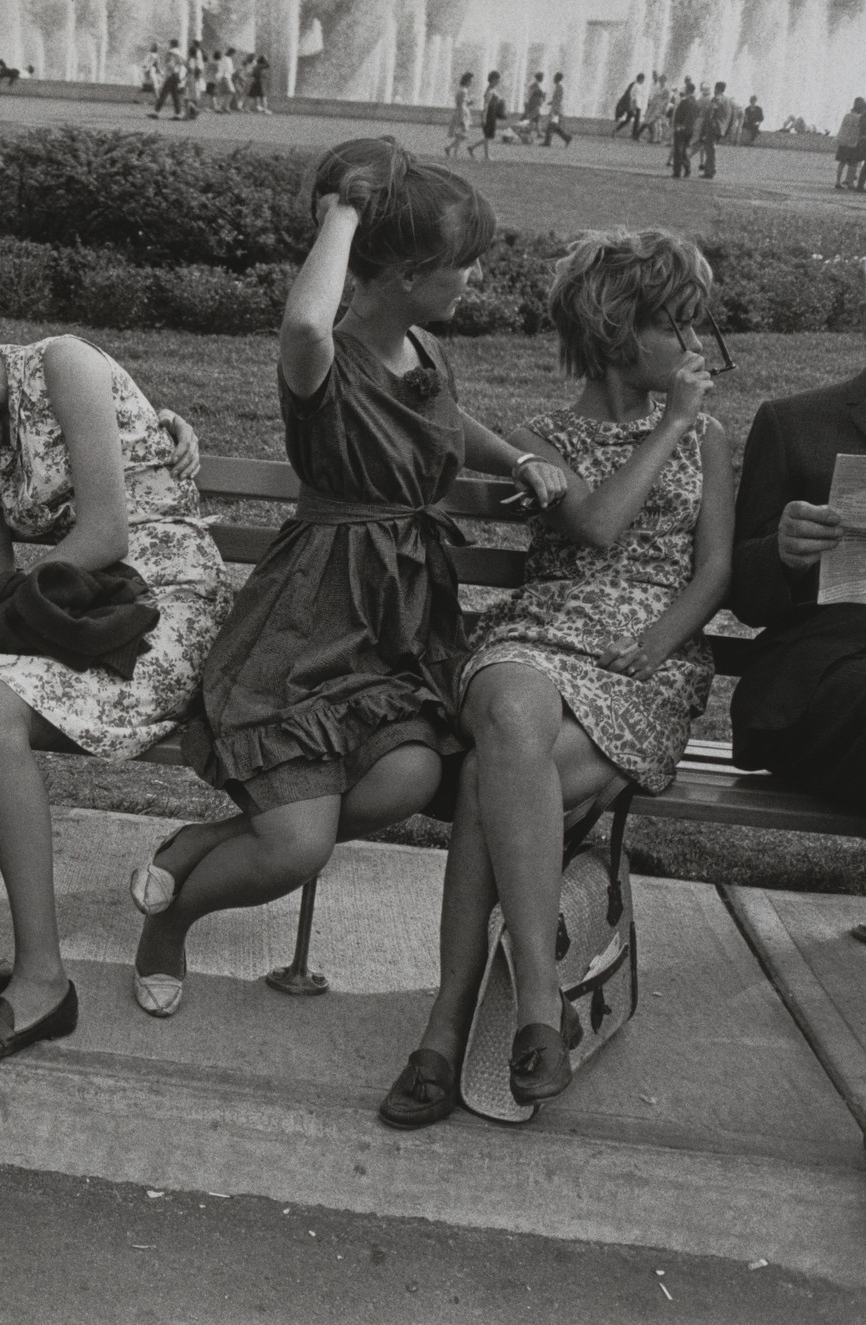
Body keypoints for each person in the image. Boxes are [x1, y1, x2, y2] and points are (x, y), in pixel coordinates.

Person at [135, 139, 567, 1021]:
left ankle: (200, 844)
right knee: (296, 849)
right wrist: (347, 208)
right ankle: (172, 919)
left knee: (407, 780)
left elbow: (453, 419)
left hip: (395, 622)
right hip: (312, 620)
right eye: (462, 265)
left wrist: (516, 454)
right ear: (406, 272)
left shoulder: (424, 349)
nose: (473, 281)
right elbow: (301, 324)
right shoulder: (319, 361)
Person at [381, 229, 733, 1126]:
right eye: (681, 329)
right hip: (541, 636)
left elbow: (715, 570)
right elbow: (601, 526)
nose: (698, 350)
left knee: (481, 783)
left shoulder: (714, 440)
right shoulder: (542, 437)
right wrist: (673, 425)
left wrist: (661, 642)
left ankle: (446, 1021)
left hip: (637, 669)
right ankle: (539, 1002)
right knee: (509, 696)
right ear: (623, 333)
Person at [0, 338, 227, 1061]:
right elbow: (0, 576)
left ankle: (43, 982)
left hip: (161, 604)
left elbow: (105, 533)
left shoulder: (63, 365)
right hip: (74, 609)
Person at [729, 226, 866, 1248]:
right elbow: (748, 597)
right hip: (826, 682)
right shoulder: (798, 424)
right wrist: (784, 546)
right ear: (864, 319)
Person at [697, 81, 727, 178]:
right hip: (721, 127)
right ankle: (710, 169)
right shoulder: (727, 100)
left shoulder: (716, 99)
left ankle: (710, 171)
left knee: (709, 149)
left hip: (712, 127)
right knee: (711, 149)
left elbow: (710, 114)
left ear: (717, 88)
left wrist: (704, 128)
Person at [475, 70, 503, 160]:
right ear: (493, 80)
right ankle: (486, 155)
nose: (499, 81)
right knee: (487, 136)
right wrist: (484, 118)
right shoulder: (489, 91)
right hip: (488, 114)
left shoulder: (492, 90)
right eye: (498, 79)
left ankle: (472, 148)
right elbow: (486, 105)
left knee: (488, 136)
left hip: (492, 114)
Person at [670, 83, 697, 178]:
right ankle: (687, 168)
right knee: (685, 149)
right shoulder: (695, 102)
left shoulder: (685, 101)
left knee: (678, 149)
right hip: (690, 129)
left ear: (688, 90)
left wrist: (677, 125)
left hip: (681, 128)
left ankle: (677, 171)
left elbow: (679, 115)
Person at [447, 71, 473, 158]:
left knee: (461, 135)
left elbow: (461, 103)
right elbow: (461, 104)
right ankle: (454, 153)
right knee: (461, 135)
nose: (471, 83)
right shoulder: (464, 91)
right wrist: (462, 118)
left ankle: (450, 149)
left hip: (460, 112)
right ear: (466, 81)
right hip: (461, 113)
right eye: (470, 81)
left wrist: (469, 103)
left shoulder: (461, 90)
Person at [544, 71, 574, 146]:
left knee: (551, 126)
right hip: (556, 108)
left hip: (556, 109)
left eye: (554, 77)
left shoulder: (560, 86)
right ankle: (567, 138)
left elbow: (559, 99)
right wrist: (551, 102)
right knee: (554, 127)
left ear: (557, 78)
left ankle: (547, 142)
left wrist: (556, 110)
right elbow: (557, 98)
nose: (553, 79)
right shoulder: (559, 86)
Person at [642, 73, 670, 144]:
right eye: (660, 80)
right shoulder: (658, 87)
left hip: (660, 107)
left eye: (662, 80)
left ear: (664, 80)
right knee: (653, 122)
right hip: (654, 106)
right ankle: (655, 138)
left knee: (656, 122)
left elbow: (666, 100)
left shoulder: (666, 89)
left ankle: (656, 138)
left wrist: (664, 109)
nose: (661, 82)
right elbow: (654, 96)